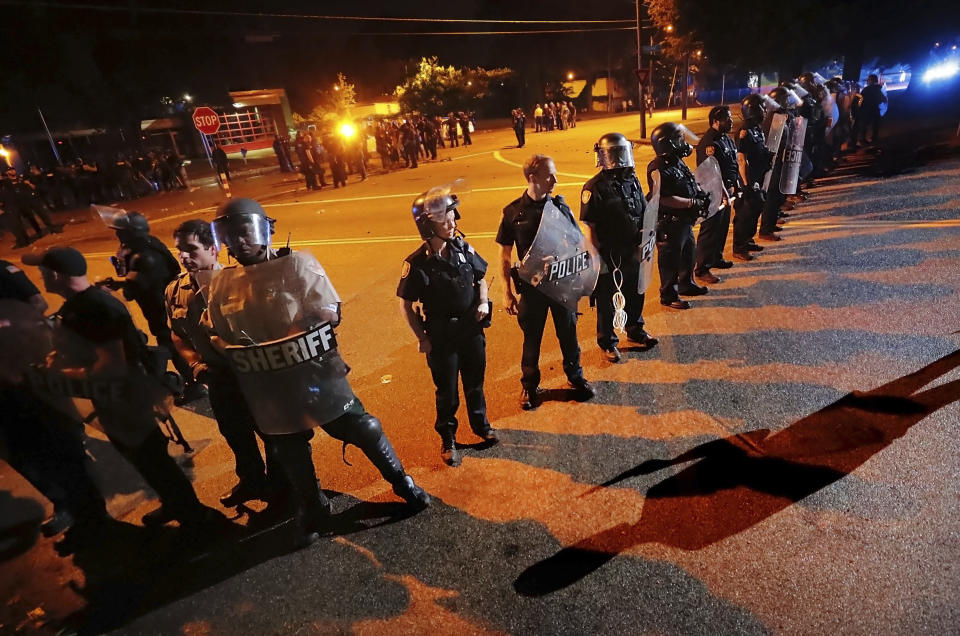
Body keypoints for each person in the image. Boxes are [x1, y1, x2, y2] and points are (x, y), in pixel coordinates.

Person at [204, 198, 430, 538]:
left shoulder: (296, 266)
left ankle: (402, 482)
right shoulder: (222, 284)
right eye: (228, 235)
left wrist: (309, 322)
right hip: (269, 384)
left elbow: (331, 310)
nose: (237, 241)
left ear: (266, 228)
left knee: (363, 427)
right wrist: (225, 348)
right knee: (288, 449)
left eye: (243, 230)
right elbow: (214, 330)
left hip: (313, 372)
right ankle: (313, 506)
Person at [21, 247, 225, 533]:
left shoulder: (94, 308)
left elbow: (111, 367)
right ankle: (177, 506)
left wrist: (57, 371)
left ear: (56, 274)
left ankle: (198, 520)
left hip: (127, 400)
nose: (41, 277)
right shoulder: (82, 305)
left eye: (43, 271)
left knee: (154, 462)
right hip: (113, 400)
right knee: (146, 461)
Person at [165, 219, 278, 508]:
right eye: (180, 250)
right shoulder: (175, 291)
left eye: (192, 249)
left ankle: (285, 488)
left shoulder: (239, 282)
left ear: (213, 249)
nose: (184, 256)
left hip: (252, 374)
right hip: (217, 378)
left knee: (272, 433)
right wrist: (194, 365)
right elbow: (177, 337)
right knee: (235, 434)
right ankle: (253, 481)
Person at [0, 259, 109, 545]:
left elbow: (38, 305)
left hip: (27, 373)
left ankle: (94, 518)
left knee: (61, 444)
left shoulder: (3, 272)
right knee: (19, 452)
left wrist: (10, 328)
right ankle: (69, 506)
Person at [398, 187, 498, 467]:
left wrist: (482, 302)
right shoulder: (417, 264)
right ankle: (448, 438)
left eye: (453, 217)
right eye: (445, 220)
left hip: (471, 331)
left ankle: (481, 426)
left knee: (475, 385)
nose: (453, 223)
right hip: (441, 337)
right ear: (429, 226)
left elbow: (480, 278)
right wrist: (421, 338)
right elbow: (405, 306)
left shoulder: (463, 248)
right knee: (447, 393)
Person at [497, 155, 595, 410]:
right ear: (533, 178)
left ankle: (575, 377)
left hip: (561, 285)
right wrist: (506, 292)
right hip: (532, 289)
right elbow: (505, 256)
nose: (555, 180)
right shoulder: (513, 212)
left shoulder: (560, 208)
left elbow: (577, 243)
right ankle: (529, 386)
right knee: (532, 340)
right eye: (549, 176)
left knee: (569, 335)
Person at [99, 209, 204, 403]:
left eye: (121, 232)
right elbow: (167, 269)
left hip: (158, 308)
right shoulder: (152, 244)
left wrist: (124, 286)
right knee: (172, 342)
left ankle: (194, 384)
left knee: (171, 345)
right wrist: (121, 282)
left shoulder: (142, 257)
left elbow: (131, 292)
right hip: (164, 301)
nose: (118, 235)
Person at [580, 133, 658, 363]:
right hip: (609, 253)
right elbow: (590, 226)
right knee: (608, 300)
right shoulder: (594, 187)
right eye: (616, 153)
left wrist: (646, 239)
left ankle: (635, 330)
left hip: (632, 248)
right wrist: (595, 260)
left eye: (623, 152)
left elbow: (642, 210)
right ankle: (608, 342)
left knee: (636, 291)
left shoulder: (631, 179)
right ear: (605, 156)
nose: (622, 158)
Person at [647, 122, 711, 310]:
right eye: (678, 138)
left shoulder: (676, 161)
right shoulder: (657, 168)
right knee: (670, 261)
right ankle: (668, 295)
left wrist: (699, 194)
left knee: (689, 254)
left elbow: (688, 180)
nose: (682, 142)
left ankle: (686, 283)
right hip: (669, 223)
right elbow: (664, 198)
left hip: (684, 221)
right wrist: (691, 203)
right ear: (667, 143)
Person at [693, 106, 739, 283]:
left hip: (726, 190)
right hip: (713, 191)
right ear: (715, 121)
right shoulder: (709, 143)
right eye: (727, 118)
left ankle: (716, 257)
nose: (731, 120)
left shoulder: (725, 139)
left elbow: (732, 163)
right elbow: (711, 172)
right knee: (710, 229)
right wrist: (722, 193)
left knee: (722, 227)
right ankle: (702, 268)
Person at [732, 94, 774, 261]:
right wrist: (746, 184)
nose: (764, 111)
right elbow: (741, 158)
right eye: (761, 108)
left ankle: (748, 240)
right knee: (744, 213)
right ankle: (739, 247)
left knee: (755, 210)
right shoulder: (744, 132)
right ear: (753, 110)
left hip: (757, 175)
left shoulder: (757, 129)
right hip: (748, 179)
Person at [858, 74, 887, 145]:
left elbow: (861, 100)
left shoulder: (866, 89)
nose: (867, 81)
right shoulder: (879, 88)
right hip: (876, 110)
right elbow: (883, 99)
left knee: (864, 125)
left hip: (867, 110)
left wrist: (859, 108)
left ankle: (863, 140)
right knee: (875, 125)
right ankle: (874, 139)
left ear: (871, 80)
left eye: (868, 80)